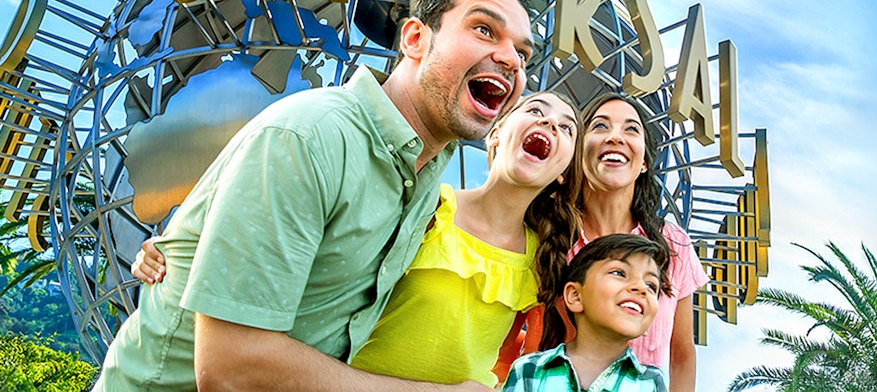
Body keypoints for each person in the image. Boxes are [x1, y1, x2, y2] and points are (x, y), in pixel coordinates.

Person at [94, 0, 534, 391]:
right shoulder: (309, 137)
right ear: (415, 38)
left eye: (523, 52)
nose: (510, 59)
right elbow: (232, 370)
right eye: (483, 29)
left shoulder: (427, 173)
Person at [134, 92, 585, 387]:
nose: (550, 125)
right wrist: (175, 251)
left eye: (567, 128)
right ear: (497, 134)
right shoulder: (426, 208)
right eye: (535, 111)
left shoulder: (548, 261)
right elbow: (300, 249)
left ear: (563, 171)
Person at [520, 92, 709, 390]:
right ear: (577, 151)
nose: (615, 138)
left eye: (631, 129)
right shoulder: (542, 234)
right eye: (600, 127)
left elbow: (682, 352)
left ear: (644, 162)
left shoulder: (674, 245)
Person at [502, 233, 670, 392]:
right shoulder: (528, 371)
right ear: (575, 296)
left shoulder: (651, 382)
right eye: (619, 273)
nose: (641, 288)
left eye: (651, 285)